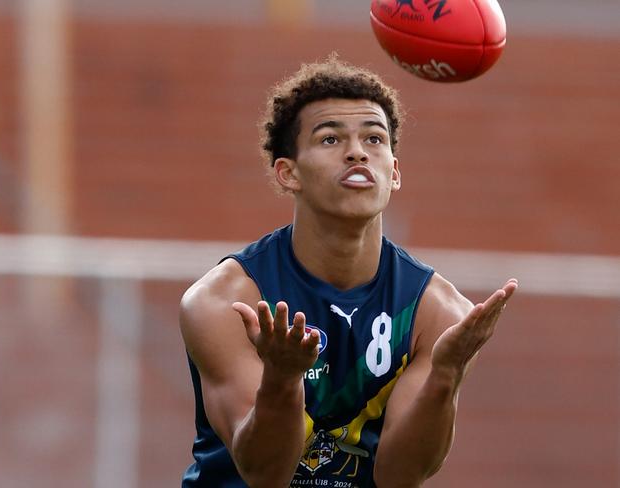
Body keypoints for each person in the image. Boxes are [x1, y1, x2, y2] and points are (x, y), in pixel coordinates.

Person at [179, 56, 517, 488]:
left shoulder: (439, 313)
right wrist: (282, 378)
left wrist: (445, 376)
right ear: (288, 173)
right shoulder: (226, 302)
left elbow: (399, 476)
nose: (358, 151)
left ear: (393, 174)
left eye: (375, 139)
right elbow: (265, 475)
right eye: (330, 138)